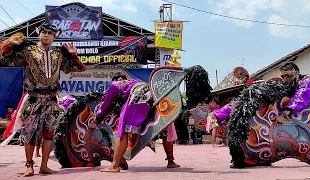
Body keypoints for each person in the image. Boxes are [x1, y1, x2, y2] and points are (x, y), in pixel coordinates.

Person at [0, 24, 86, 177]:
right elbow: (6, 60)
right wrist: (9, 46)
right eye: (43, 32)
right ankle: (29, 165)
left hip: (52, 99)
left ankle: (44, 166)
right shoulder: (28, 51)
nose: (46, 35)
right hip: (33, 98)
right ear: (39, 34)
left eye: (50, 33)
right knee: (29, 133)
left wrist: (73, 55)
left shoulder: (59, 54)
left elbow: (78, 68)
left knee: (49, 133)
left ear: (54, 36)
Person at [89, 72, 180, 172]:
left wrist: (97, 119)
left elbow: (106, 105)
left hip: (138, 96)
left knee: (122, 130)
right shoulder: (134, 82)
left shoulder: (115, 84)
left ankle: (114, 166)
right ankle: (171, 162)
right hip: (152, 96)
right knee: (164, 127)